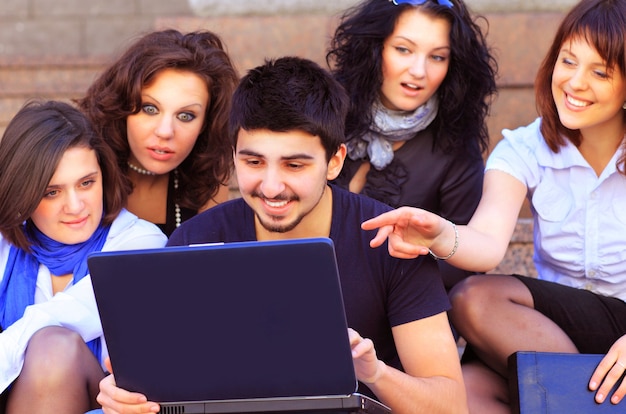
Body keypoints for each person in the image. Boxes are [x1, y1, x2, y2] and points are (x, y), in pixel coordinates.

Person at [94, 56, 468, 414]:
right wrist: (125, 398)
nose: (271, 187)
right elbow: (157, 390)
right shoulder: (194, 241)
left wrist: (374, 373)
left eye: (294, 164)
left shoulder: (390, 240)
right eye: (253, 162)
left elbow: (451, 406)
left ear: (335, 161)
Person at [361, 0, 626, 411]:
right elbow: (486, 242)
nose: (575, 83)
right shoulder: (524, 148)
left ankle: (577, 401)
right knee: (463, 382)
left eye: (600, 72)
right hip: (552, 328)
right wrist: (439, 233)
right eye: (568, 61)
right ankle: (585, 400)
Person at [0, 100, 167, 413]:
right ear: (23, 192)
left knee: (53, 348)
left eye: (86, 183)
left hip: (106, 404)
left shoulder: (140, 243)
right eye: (52, 192)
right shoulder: (7, 244)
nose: (76, 206)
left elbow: (65, 316)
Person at [327, 0, 497, 288]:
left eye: (438, 57)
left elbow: (463, 264)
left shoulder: (455, 144)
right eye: (403, 49)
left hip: (403, 308)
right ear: (374, 48)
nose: (419, 71)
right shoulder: (326, 112)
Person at [78, 29, 239, 236]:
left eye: (186, 116)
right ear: (122, 106)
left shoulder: (208, 175)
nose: (165, 132)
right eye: (150, 109)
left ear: (206, 124)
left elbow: (204, 264)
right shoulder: (86, 165)